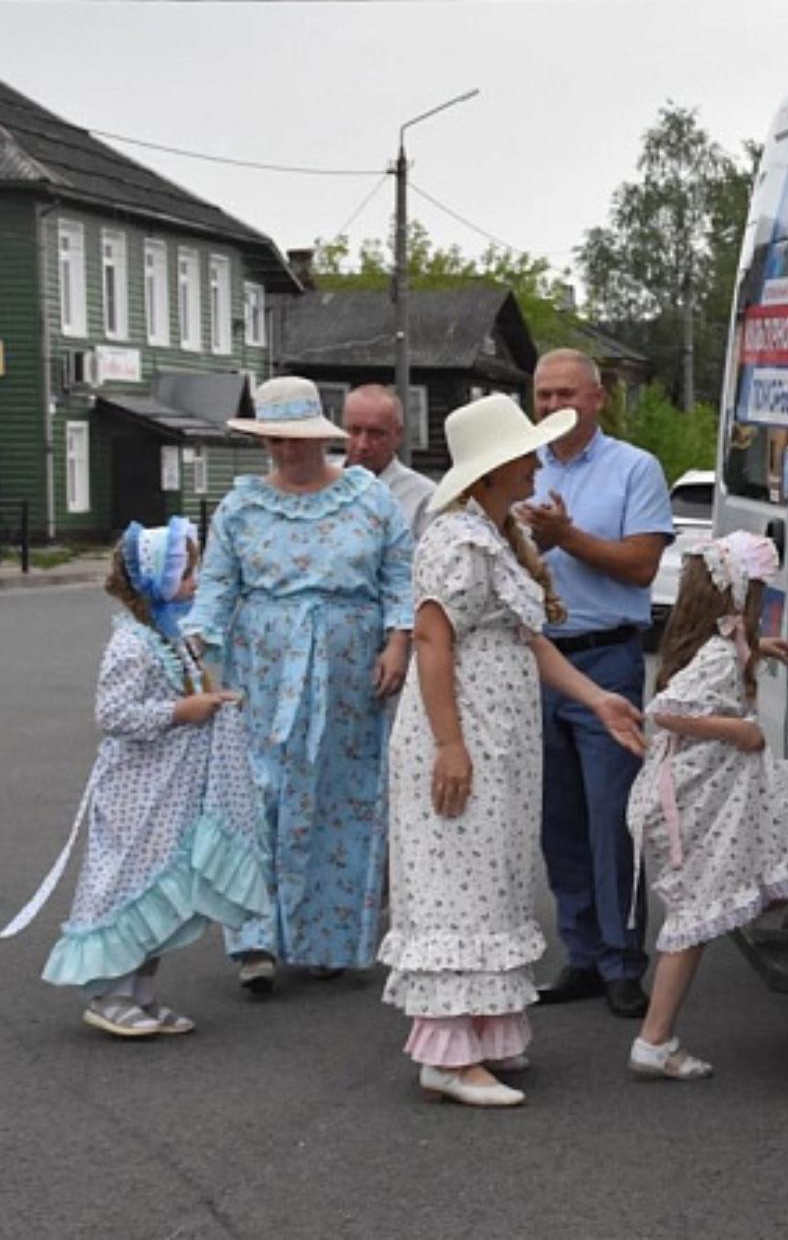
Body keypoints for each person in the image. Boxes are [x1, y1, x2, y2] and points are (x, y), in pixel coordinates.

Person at [381, 395, 645, 1108]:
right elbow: (434, 643)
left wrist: (597, 698)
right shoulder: (455, 539)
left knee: (491, 873)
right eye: (526, 453)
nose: (536, 462)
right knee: (452, 876)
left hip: (501, 741)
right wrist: (450, 746)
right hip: (463, 732)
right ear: (496, 469)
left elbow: (527, 643)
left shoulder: (497, 536)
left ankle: (485, 1035)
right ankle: (445, 1055)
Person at [183, 376, 414, 993]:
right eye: (273, 440)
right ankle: (254, 940)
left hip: (349, 674)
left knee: (341, 799)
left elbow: (401, 578)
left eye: (294, 438)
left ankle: (327, 937)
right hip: (264, 668)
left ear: (318, 437)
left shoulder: (368, 499)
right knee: (259, 796)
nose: (284, 451)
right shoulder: (242, 506)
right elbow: (216, 589)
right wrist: (193, 644)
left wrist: (397, 641)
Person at [1, 519, 269, 1037]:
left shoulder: (172, 635)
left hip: (172, 792)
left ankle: (142, 994)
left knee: (162, 893)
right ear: (151, 578)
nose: (195, 582)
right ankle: (109, 994)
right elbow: (115, 713)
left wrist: (211, 700)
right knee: (127, 886)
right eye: (185, 572)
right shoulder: (132, 644)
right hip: (136, 793)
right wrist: (180, 711)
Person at [624, 532, 788, 1080]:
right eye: (759, 591)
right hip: (694, 800)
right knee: (697, 914)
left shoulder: (722, 640)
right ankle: (654, 1042)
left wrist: (762, 647)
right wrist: (736, 730)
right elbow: (667, 710)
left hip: (702, 791)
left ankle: (782, 905)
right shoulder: (719, 653)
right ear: (738, 594)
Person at [513, 349, 674, 1019]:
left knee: (612, 816)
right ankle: (581, 953)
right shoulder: (518, 470)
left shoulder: (634, 469)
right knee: (558, 818)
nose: (551, 407)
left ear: (597, 398)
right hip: (533, 658)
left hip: (604, 658)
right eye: (542, 396)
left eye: (564, 395)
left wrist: (566, 535)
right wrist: (535, 546)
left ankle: (622, 961)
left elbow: (640, 567)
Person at [343, 383, 433, 538]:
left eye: (376, 434)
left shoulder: (423, 498)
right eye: (355, 431)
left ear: (398, 434)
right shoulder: (319, 484)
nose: (362, 444)